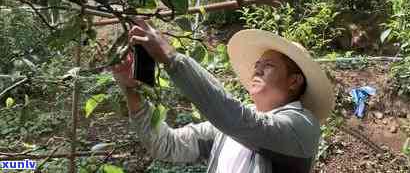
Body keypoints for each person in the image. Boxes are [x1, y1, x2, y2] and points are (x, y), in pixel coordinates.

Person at [112, 19, 334, 173]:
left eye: (268, 65)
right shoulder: (224, 131)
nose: (257, 70)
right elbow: (166, 144)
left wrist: (171, 57)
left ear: (294, 81)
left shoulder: (303, 126)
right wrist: (132, 90)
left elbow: (242, 121)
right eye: (257, 64)